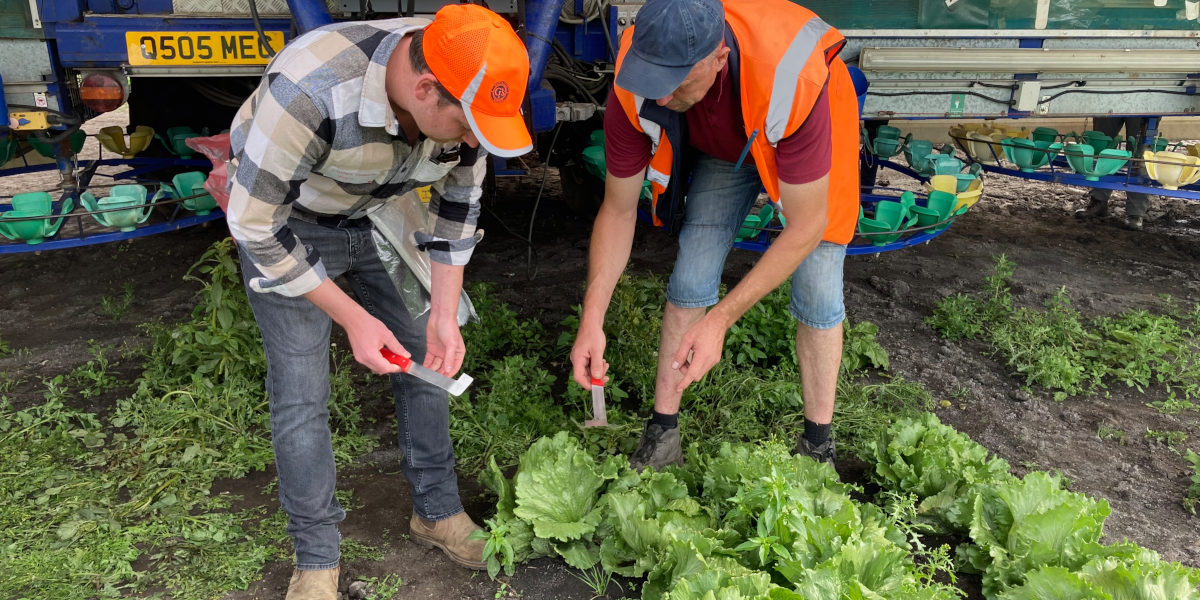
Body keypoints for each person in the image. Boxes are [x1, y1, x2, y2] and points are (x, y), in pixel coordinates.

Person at [224, 6, 532, 598]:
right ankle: (316, 559)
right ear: (424, 89)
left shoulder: (466, 82)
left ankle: (437, 513)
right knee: (301, 392)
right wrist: (354, 318)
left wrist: (443, 315)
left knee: (427, 358)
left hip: (382, 214)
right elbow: (255, 225)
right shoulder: (310, 90)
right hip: (290, 225)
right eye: (468, 125)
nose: (475, 140)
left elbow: (458, 208)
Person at [569, 0, 859, 471]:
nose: (661, 98)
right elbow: (618, 211)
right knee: (691, 274)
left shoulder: (794, 78)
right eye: (653, 82)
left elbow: (806, 227)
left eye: (675, 83)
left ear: (718, 58)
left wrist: (721, 320)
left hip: (801, 117)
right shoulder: (635, 76)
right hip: (728, 143)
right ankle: (663, 434)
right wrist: (592, 318)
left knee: (818, 288)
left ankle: (818, 448)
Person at [1074, 116, 1159, 231]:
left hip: (1146, 106)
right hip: (1111, 104)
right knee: (1103, 143)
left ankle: (1135, 212)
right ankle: (1099, 200)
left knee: (1140, 152)